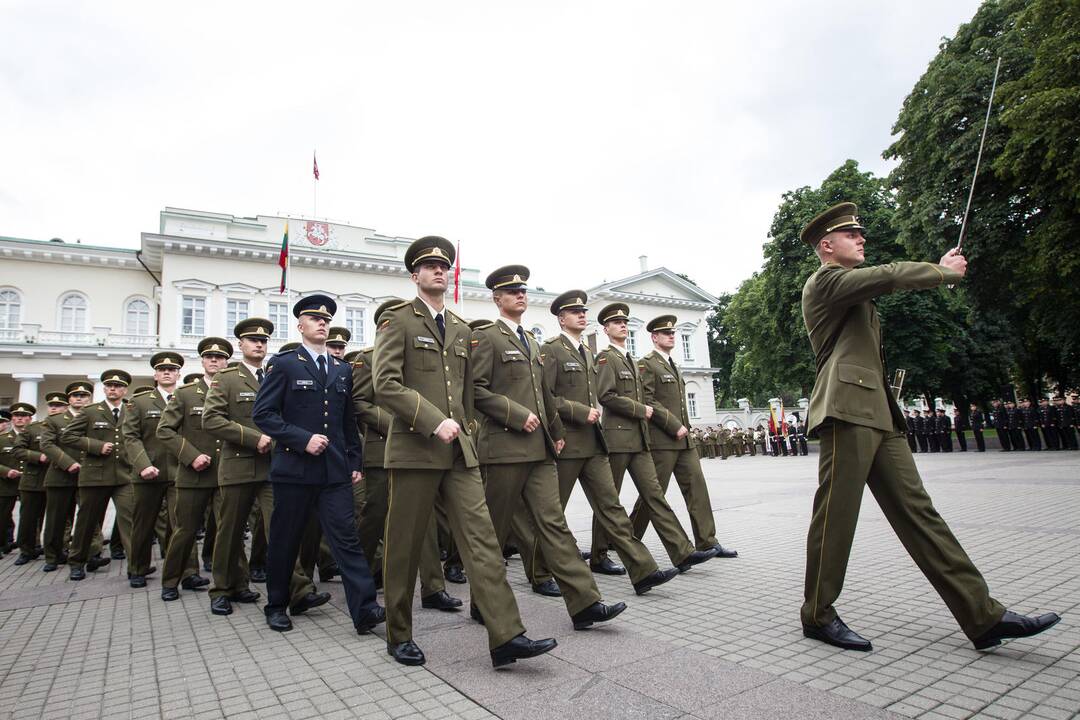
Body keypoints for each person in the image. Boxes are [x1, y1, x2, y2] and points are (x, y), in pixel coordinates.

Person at [797, 201, 1059, 652]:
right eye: (851, 235)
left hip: (878, 413)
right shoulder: (826, 281)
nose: (862, 239)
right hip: (845, 411)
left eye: (862, 234)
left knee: (921, 514)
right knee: (836, 516)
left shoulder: (851, 291)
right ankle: (817, 614)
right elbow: (891, 274)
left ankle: (982, 616)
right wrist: (942, 272)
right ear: (827, 245)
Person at [372, 237, 557, 667]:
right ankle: (399, 634)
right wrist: (433, 420)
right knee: (404, 545)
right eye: (429, 266)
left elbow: (468, 394)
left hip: (459, 454)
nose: (439, 270)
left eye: (444, 265)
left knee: (483, 543)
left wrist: (467, 429)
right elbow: (386, 385)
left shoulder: (459, 328)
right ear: (414, 275)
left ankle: (506, 635)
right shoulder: (398, 321)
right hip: (415, 452)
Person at [252, 294, 384, 635]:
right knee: (285, 540)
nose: (322, 323)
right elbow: (263, 414)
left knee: (347, 539)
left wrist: (353, 460)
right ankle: (277, 604)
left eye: (326, 319)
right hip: (294, 471)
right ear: (300, 326)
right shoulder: (284, 363)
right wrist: (300, 438)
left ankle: (365, 609)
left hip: (333, 473)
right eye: (315, 319)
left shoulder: (341, 368)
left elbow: (346, 421)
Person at [542, 289, 692, 586]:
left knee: (613, 508)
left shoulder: (586, 352)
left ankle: (643, 570)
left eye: (584, 311)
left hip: (594, 442)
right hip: (568, 442)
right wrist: (571, 418)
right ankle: (540, 571)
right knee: (551, 512)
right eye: (575, 312)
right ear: (561, 318)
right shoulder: (553, 350)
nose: (582, 315)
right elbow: (544, 397)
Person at [202, 318, 325, 618]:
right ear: (240, 345)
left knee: (281, 530)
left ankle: (298, 590)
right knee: (229, 532)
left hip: (273, 468)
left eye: (263, 340)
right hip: (239, 467)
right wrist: (254, 438)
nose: (259, 344)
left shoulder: (275, 373)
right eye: (252, 340)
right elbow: (212, 419)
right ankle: (223, 588)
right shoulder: (227, 378)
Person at [595, 301, 718, 573]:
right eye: (616, 322)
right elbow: (608, 396)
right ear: (605, 329)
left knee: (656, 497)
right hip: (620, 439)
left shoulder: (630, 359)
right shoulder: (609, 358)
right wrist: (647, 412)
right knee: (609, 499)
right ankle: (599, 552)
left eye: (625, 322)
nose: (623, 325)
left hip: (641, 440)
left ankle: (685, 551)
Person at [630, 315, 737, 558]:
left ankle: (707, 541)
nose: (671, 336)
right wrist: (674, 424)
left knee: (697, 489)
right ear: (654, 337)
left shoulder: (673, 364)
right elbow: (646, 399)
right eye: (665, 333)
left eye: (673, 333)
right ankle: (627, 537)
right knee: (653, 495)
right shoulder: (647, 364)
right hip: (663, 441)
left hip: (684, 441)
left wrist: (684, 429)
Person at [156, 336, 232, 600]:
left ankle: (233, 583)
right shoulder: (186, 394)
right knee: (185, 531)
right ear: (202, 361)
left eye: (220, 357)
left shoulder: (233, 390)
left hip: (227, 474)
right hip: (194, 474)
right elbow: (164, 431)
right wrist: (190, 456)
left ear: (227, 362)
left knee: (227, 531)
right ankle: (171, 581)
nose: (215, 360)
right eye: (210, 357)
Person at [123, 352, 200, 588]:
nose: (167, 373)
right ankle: (138, 568)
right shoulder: (140, 401)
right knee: (143, 524)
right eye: (162, 369)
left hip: (180, 471)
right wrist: (143, 465)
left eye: (172, 369)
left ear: (178, 374)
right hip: (149, 472)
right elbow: (131, 437)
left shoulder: (187, 398)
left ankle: (188, 572)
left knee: (183, 524)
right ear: (155, 374)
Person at [60, 370, 136, 581]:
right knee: (87, 522)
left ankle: (136, 567)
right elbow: (67, 436)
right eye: (110, 385)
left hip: (124, 475)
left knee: (130, 521)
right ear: (104, 388)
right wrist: (95, 446)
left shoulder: (130, 411)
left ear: (124, 390)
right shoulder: (90, 411)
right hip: (95, 476)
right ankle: (77, 561)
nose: (113, 389)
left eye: (118, 386)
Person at [38, 385, 87, 572]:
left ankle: (85, 553)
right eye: (75, 395)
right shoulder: (55, 420)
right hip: (61, 474)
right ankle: (53, 556)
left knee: (86, 518)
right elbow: (47, 445)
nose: (79, 399)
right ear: (69, 399)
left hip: (86, 475)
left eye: (83, 395)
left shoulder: (92, 417)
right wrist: (68, 463)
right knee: (56, 519)